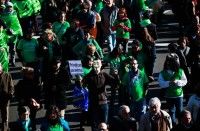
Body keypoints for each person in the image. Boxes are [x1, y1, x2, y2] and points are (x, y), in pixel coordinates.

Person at [83, 59, 119, 130]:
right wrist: (79, 81)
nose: (97, 66)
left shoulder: (104, 75)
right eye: (95, 64)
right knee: (94, 124)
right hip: (93, 103)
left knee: (104, 124)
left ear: (101, 65)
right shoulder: (89, 76)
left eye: (98, 64)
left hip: (104, 103)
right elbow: (82, 85)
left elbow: (115, 83)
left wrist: (116, 75)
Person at [158, 53, 187, 125]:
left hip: (179, 95)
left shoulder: (180, 71)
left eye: (170, 62)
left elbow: (185, 81)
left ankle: (181, 125)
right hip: (169, 95)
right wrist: (169, 83)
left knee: (180, 111)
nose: (168, 64)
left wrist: (177, 82)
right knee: (171, 111)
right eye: (167, 62)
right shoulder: (163, 73)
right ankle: (173, 125)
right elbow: (161, 83)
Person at [0, 63, 14, 131]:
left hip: (5, 99)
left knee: (5, 117)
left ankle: (5, 129)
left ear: (1, 67)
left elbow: (11, 86)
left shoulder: (7, 75)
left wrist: (11, 93)